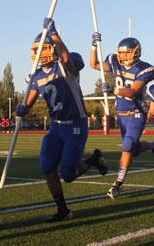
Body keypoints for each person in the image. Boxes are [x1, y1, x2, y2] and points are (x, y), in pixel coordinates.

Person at [16, 18, 107, 222]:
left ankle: (92, 160)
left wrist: (54, 33)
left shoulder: (65, 68)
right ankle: (63, 210)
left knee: (68, 174)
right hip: (56, 127)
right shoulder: (36, 76)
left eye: (45, 48)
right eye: (38, 49)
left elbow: (66, 57)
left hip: (75, 124)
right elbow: (30, 101)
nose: (41, 54)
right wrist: (23, 108)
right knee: (47, 168)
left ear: (54, 49)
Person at [90, 34, 154, 199]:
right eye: (121, 52)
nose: (123, 56)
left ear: (136, 52)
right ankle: (153, 146)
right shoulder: (114, 61)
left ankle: (118, 184)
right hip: (121, 114)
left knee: (127, 146)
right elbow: (94, 64)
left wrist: (114, 90)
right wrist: (93, 46)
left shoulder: (146, 69)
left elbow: (132, 91)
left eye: (127, 53)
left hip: (136, 113)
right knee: (133, 150)